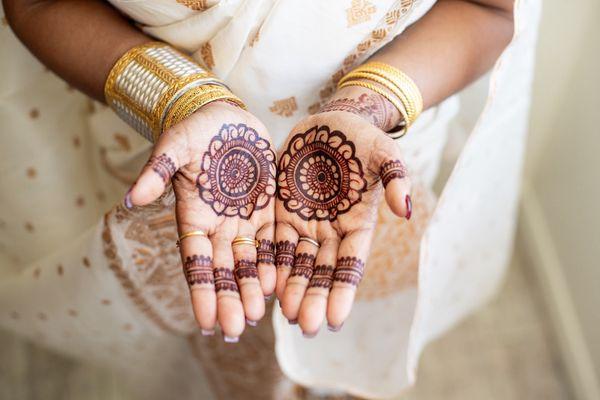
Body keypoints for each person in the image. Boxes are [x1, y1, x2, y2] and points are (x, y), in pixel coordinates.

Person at [0, 0, 540, 398]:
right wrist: (179, 99)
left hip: (372, 176)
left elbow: (487, 9)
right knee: (227, 342)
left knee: (341, 321)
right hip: (180, 177)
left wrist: (369, 104)